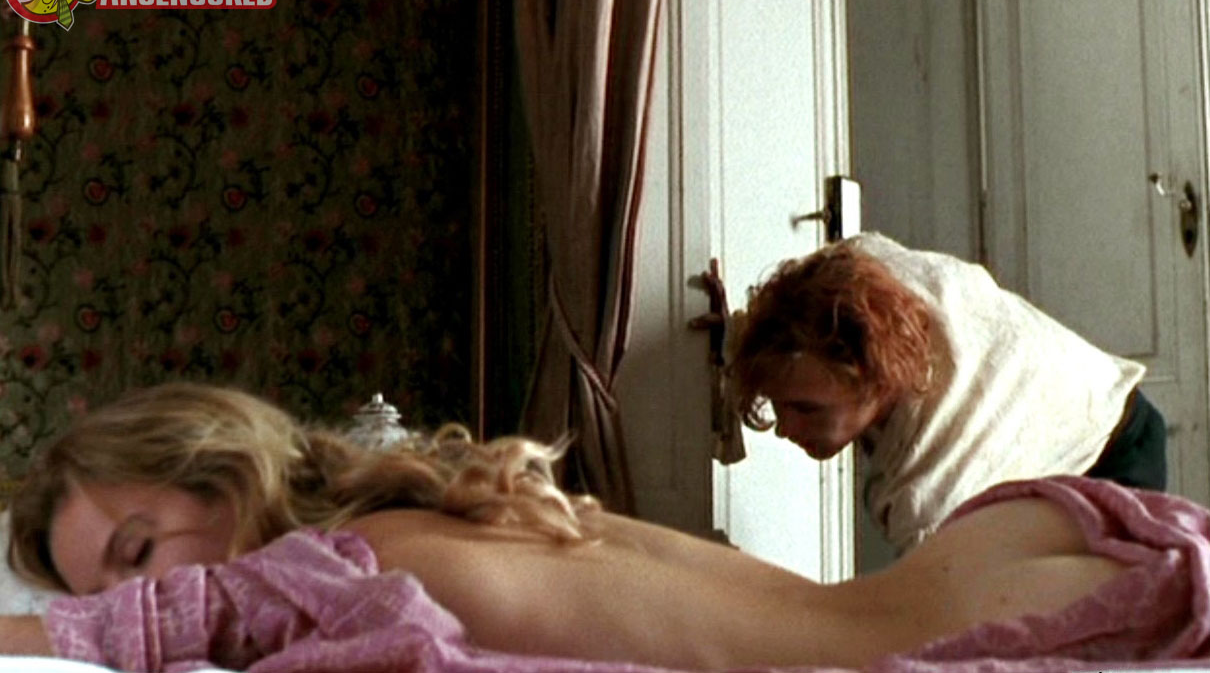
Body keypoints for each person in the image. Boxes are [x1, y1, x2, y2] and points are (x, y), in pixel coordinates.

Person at [0, 382, 1194, 671]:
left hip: (998, 617)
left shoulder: (365, 570)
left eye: (139, 548)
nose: (139, 590)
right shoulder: (446, 507)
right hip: (1010, 556)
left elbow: (167, 619)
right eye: (111, 580)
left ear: (216, 468)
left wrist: (57, 630)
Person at [729, 231, 1167, 552]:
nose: (784, 429)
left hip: (1112, 450)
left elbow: (928, 607)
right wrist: (734, 335)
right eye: (779, 404)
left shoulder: (933, 481)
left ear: (876, 381)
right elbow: (797, 309)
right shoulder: (862, 266)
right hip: (1058, 388)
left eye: (806, 409)